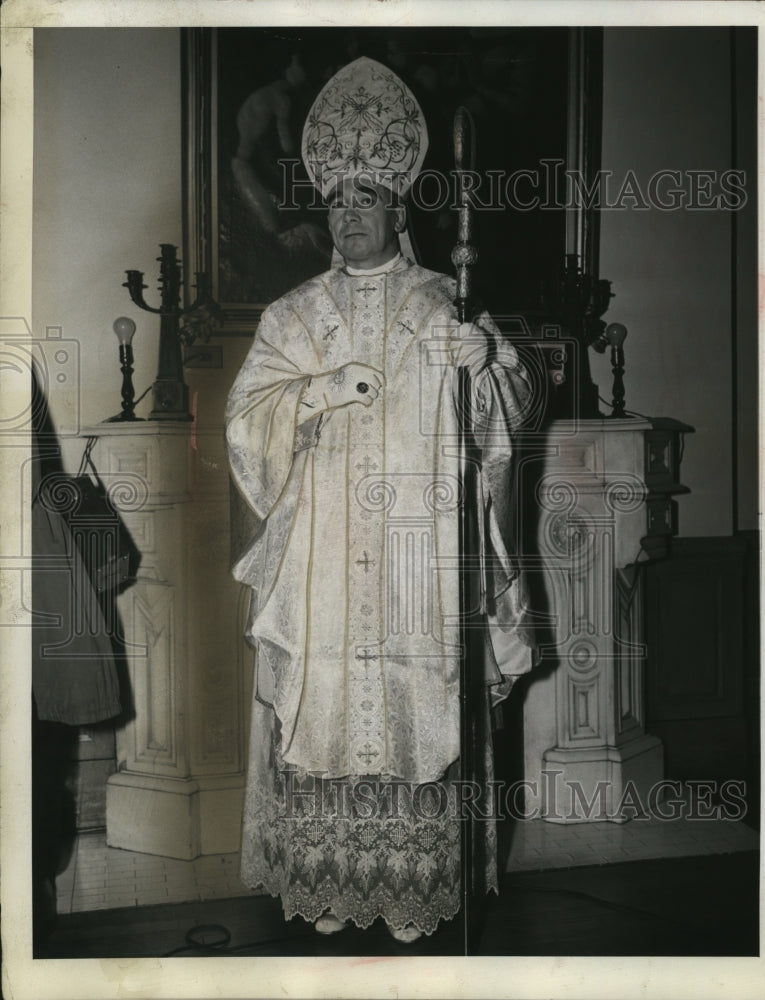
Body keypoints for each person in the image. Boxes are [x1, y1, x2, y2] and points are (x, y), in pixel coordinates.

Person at [226, 56, 536, 944]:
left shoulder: (449, 304)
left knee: (416, 701)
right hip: (323, 561)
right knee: (325, 706)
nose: (350, 217)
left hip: (414, 559)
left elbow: (500, 432)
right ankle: (326, 886)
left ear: (400, 207)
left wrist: (491, 371)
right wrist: (319, 392)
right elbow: (247, 421)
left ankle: (415, 891)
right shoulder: (291, 316)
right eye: (337, 203)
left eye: (367, 200)